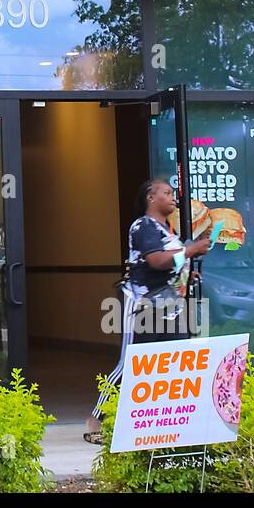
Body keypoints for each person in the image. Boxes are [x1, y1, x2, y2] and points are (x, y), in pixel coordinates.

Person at [84, 179, 211, 443]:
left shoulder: (169, 230)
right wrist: (190, 251)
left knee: (172, 361)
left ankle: (164, 422)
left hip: (170, 307)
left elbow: (170, 265)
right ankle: (95, 421)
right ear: (151, 199)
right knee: (131, 363)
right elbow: (156, 261)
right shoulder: (142, 226)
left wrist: (187, 272)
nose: (172, 196)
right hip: (141, 304)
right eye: (166, 192)